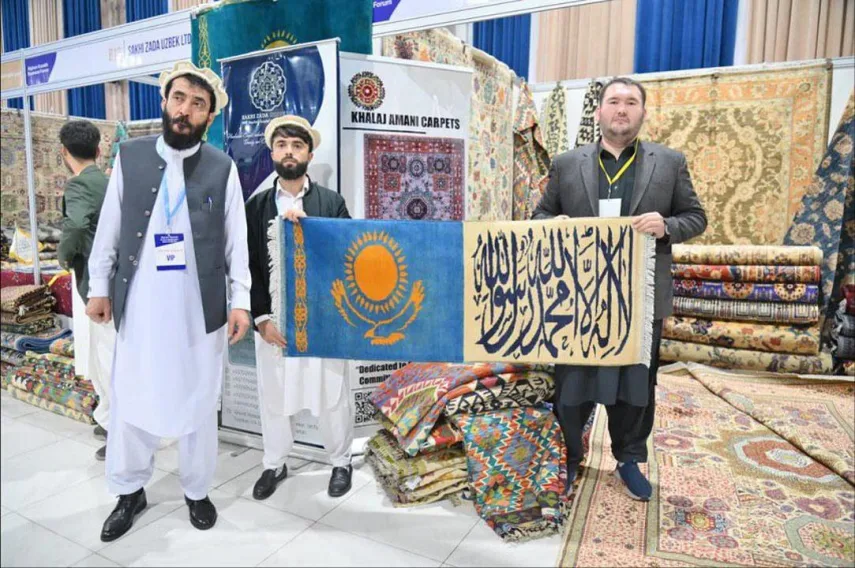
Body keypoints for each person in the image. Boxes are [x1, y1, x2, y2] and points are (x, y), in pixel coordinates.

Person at [86, 60, 252, 541]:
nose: (185, 110)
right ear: (164, 101)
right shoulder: (130, 156)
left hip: (198, 307)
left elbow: (236, 241)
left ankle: (196, 490)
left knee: (199, 397)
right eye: (179, 98)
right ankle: (128, 490)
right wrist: (99, 287)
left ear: (209, 116)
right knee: (132, 393)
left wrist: (240, 300)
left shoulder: (222, 167)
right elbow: (109, 227)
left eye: (198, 104)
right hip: (140, 303)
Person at [533, 77, 707, 501]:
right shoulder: (567, 163)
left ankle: (629, 459)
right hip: (577, 294)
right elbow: (540, 215)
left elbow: (695, 217)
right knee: (573, 381)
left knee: (635, 382)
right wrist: (553, 225)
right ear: (600, 111)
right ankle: (570, 456)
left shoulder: (669, 163)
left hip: (639, 295)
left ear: (642, 112)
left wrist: (666, 225)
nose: (622, 109)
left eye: (631, 102)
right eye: (614, 101)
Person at [244, 115, 354, 501]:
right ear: (272, 153)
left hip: (323, 318)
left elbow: (349, 255)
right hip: (274, 322)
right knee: (274, 396)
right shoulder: (256, 206)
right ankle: (275, 463)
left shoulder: (331, 202)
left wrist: (312, 231)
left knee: (332, 393)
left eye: (297, 145)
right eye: (282, 145)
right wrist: (261, 319)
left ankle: (341, 461)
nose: (289, 152)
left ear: (309, 153)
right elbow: (248, 265)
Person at [56, 120, 113, 461]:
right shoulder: (108, 182)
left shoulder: (79, 185)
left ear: (64, 152)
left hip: (95, 283)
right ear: (98, 149)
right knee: (110, 355)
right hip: (115, 280)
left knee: (105, 359)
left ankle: (118, 430)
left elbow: (76, 225)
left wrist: (64, 256)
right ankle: (108, 418)